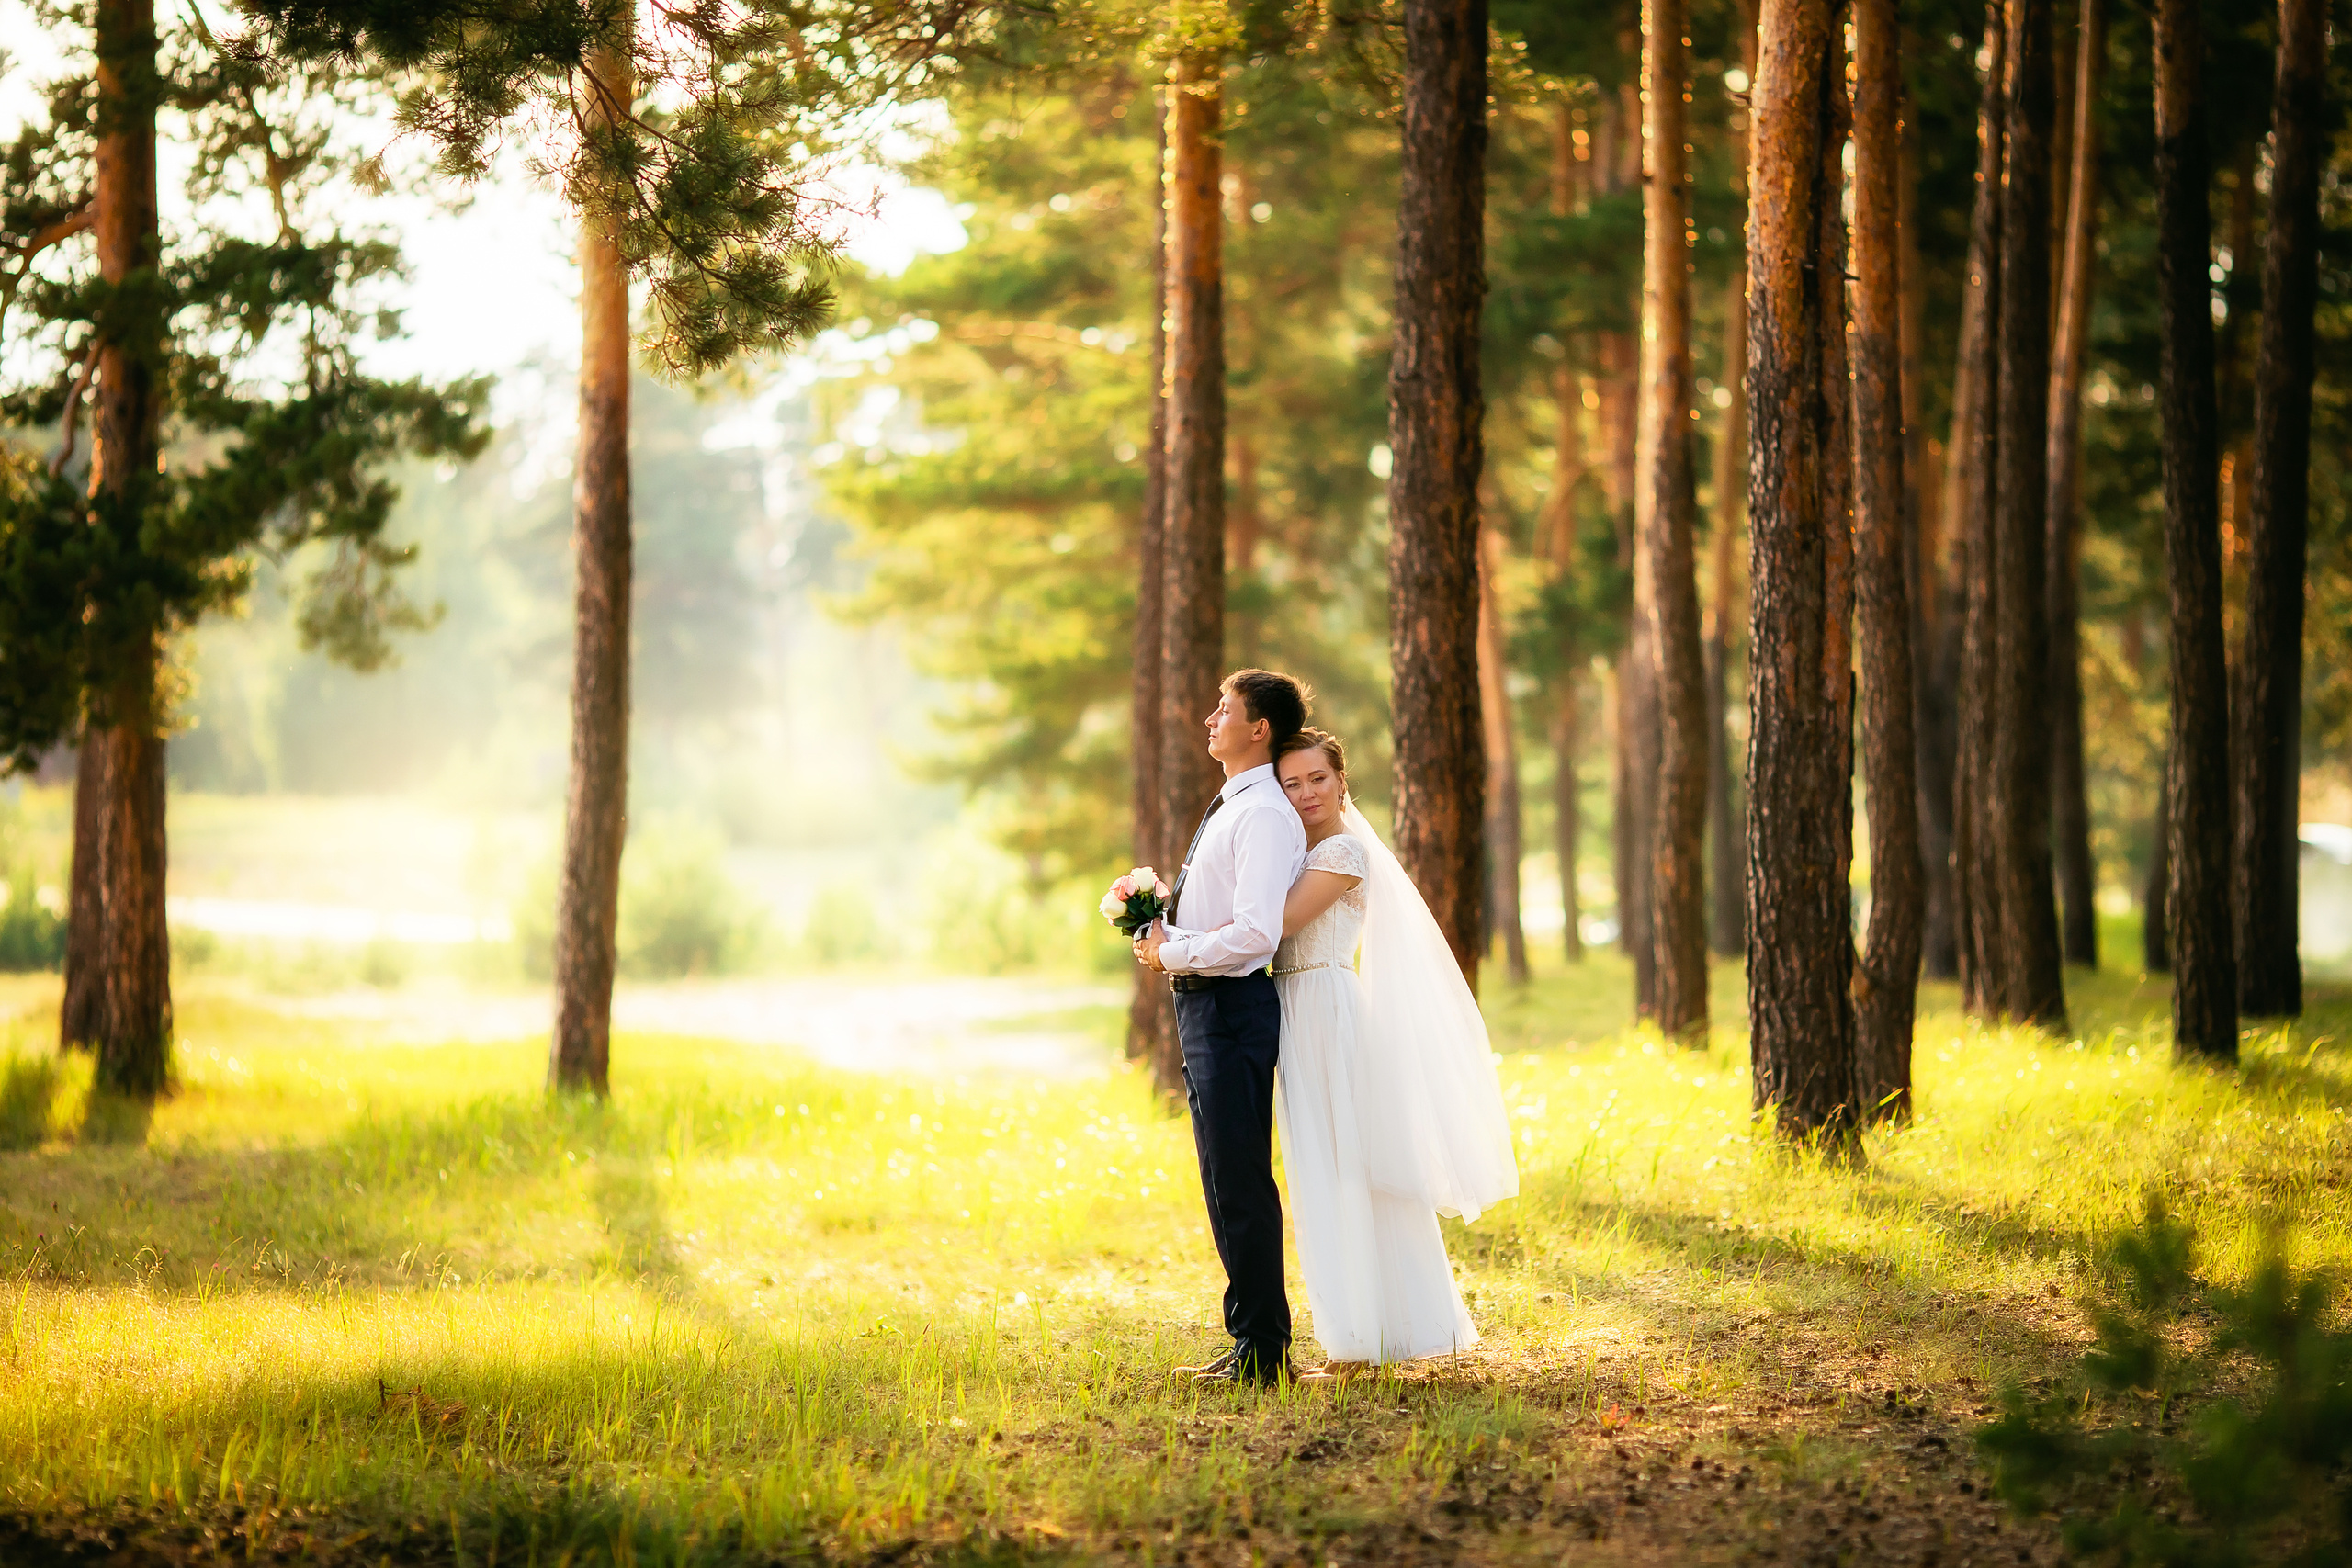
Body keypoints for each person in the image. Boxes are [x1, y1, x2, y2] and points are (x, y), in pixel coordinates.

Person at [1266, 727, 1519, 1382]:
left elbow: (1282, 922)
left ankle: (1356, 1345)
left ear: (1341, 779)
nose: (1306, 792)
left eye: (1317, 778)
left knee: (1346, 1171)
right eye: (1291, 783)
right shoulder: (1295, 846)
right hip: (1292, 1012)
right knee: (1318, 1173)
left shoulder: (1345, 851)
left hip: (1326, 1008)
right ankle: (1362, 1331)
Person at [1133, 669, 1312, 1386]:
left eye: (1225, 709)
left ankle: (1265, 1353)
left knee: (1239, 1180)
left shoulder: (1264, 813)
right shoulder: (1234, 804)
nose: (1211, 718)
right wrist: (1155, 927)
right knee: (1221, 1177)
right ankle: (1250, 1340)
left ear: (1258, 728)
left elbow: (1256, 934)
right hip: (1203, 1005)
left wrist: (1174, 951)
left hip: (1233, 1008)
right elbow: (1223, 914)